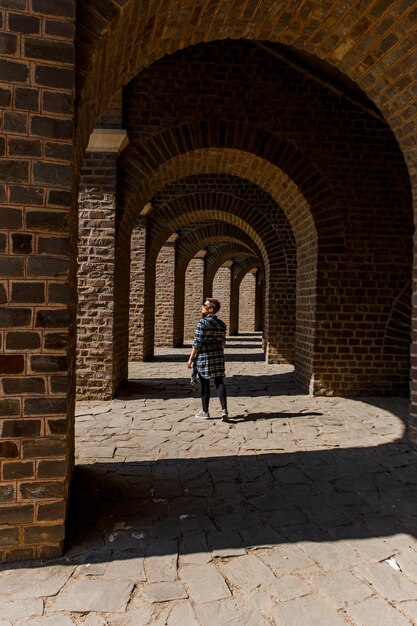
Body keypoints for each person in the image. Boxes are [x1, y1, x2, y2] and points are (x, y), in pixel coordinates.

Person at [187, 298, 228, 421]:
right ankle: (224, 410)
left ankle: (205, 411)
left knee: (204, 384)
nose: (202, 306)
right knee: (219, 382)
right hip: (218, 355)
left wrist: (190, 359)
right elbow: (222, 343)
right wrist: (218, 352)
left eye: (204, 305)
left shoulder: (202, 323)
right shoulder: (222, 324)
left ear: (210, 309)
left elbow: (197, 343)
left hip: (204, 356)